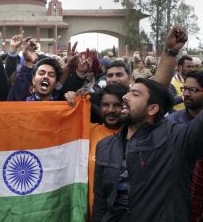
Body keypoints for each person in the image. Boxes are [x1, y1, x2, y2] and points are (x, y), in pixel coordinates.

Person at [92, 28, 201, 221]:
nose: (124, 97)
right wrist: (170, 52)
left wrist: (169, 54)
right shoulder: (105, 147)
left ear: (152, 110)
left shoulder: (176, 140)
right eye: (128, 92)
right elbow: (101, 204)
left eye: (134, 94)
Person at [65, 83, 128, 218]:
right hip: (84, 216)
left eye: (117, 105)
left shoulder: (133, 138)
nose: (110, 110)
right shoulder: (87, 132)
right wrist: (70, 100)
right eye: (105, 105)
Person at [166, 71, 203, 221]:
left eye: (192, 90)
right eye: (184, 89)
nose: (186, 94)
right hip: (178, 193)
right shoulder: (172, 121)